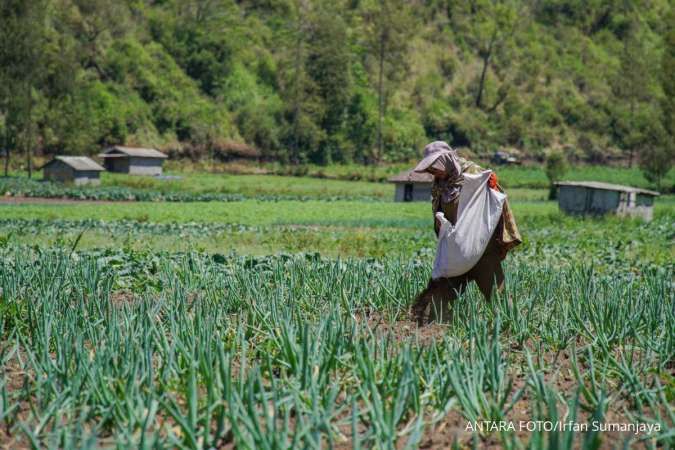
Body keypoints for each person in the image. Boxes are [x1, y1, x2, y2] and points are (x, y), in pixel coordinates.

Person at [411, 141, 522, 324]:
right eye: (430, 169)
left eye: (434, 167)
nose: (433, 172)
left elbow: (495, 204)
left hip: (482, 250)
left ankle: (512, 332)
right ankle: (435, 333)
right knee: (435, 301)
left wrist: (493, 187)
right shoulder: (440, 184)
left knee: (499, 300)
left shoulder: (473, 174)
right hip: (457, 253)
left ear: (445, 160)